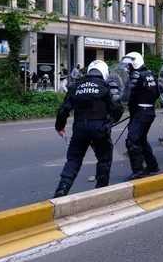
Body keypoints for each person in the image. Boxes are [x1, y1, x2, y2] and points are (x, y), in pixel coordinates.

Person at [53, 60, 124, 198]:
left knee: (73, 160)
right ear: (104, 72)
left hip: (79, 129)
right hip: (100, 128)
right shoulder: (107, 85)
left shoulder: (76, 86)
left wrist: (59, 127)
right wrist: (110, 122)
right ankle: (100, 191)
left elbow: (63, 110)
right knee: (104, 159)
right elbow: (118, 109)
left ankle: (62, 189)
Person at [121, 52, 161, 181]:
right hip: (148, 111)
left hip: (141, 112)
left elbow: (128, 94)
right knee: (141, 140)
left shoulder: (136, 75)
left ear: (135, 63)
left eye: (128, 66)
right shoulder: (149, 74)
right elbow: (158, 92)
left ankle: (138, 171)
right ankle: (153, 166)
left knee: (132, 141)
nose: (127, 68)